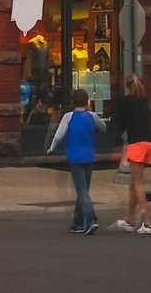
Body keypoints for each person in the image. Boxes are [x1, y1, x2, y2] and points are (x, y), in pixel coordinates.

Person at [47, 87, 107, 235]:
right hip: (89, 156)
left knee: (81, 190)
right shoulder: (92, 116)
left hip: (75, 157)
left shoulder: (68, 117)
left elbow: (59, 135)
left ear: (73, 102)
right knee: (84, 189)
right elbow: (103, 128)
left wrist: (52, 148)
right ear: (87, 102)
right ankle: (77, 222)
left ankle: (91, 219)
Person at [110, 76, 151, 234]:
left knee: (138, 183)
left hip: (136, 143)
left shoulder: (125, 101)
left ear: (127, 86)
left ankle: (147, 222)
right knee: (134, 182)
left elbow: (119, 122)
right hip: (148, 143)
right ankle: (129, 218)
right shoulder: (144, 101)